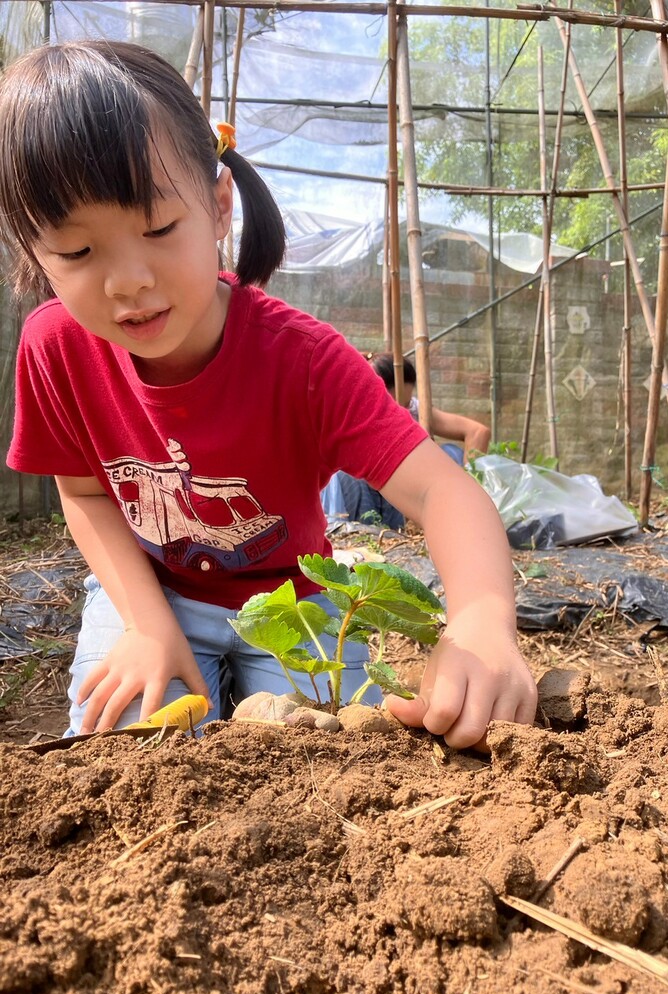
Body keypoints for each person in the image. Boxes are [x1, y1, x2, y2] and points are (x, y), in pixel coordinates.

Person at [1, 40, 537, 749]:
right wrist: (146, 627)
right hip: (151, 588)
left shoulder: (305, 360)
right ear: (31, 252)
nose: (127, 280)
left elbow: (443, 491)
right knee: (128, 742)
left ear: (220, 207)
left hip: (292, 605)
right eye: (76, 252)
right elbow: (88, 495)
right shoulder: (55, 348)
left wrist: (481, 621)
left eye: (159, 228)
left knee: (333, 747)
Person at [322, 353, 491, 528]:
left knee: (450, 454)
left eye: (407, 402)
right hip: (370, 500)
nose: (403, 412)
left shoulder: (415, 410)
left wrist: (471, 491)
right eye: (394, 405)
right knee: (347, 476)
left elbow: (478, 432)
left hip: (409, 500)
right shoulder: (356, 416)